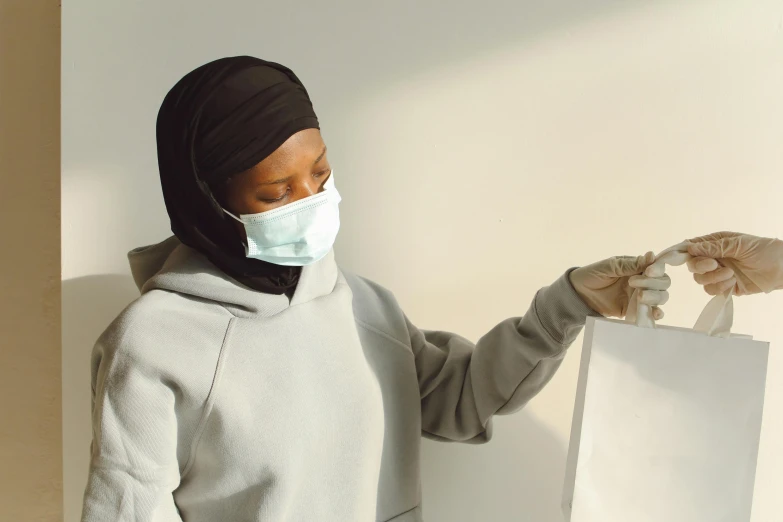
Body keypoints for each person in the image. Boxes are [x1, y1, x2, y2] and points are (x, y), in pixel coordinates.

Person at [78, 56, 779, 522]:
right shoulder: (157, 340)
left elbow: (461, 401)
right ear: (207, 202)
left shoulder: (362, 305)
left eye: (319, 176)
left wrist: (571, 300)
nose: (310, 201)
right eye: (275, 192)